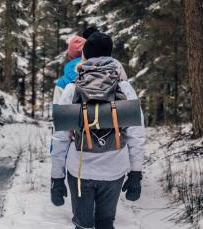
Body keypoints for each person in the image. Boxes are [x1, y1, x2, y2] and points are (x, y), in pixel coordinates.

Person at [50, 32, 145, 229]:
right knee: (105, 223)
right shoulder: (125, 87)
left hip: (79, 170)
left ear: (85, 55)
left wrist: (56, 178)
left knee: (83, 226)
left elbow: (60, 138)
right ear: (111, 55)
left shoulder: (72, 88)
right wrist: (136, 174)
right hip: (114, 169)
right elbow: (136, 135)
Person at [52, 35, 86, 109]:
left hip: (71, 119)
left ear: (69, 55)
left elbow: (57, 113)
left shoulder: (62, 82)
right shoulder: (99, 75)